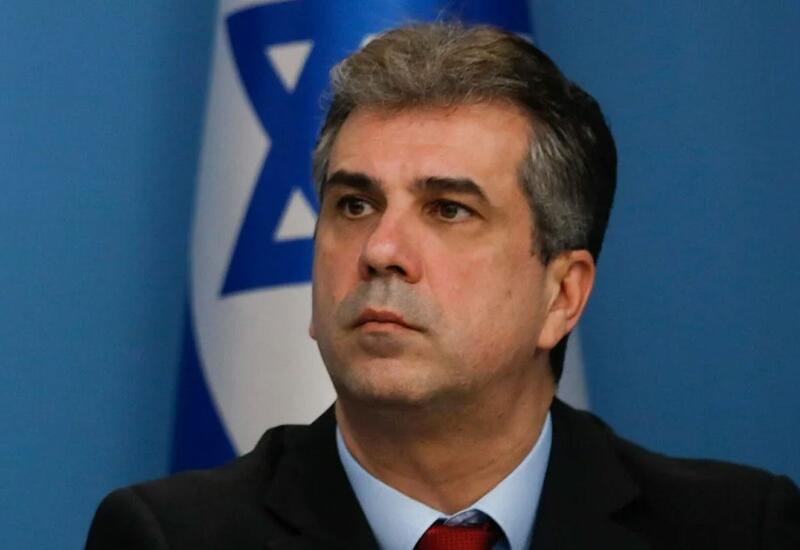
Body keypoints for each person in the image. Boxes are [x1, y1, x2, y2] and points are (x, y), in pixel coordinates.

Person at [86, 23, 799, 550]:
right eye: (353, 205)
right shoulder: (168, 538)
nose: (380, 251)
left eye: (448, 209)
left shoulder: (740, 530)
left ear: (562, 295)